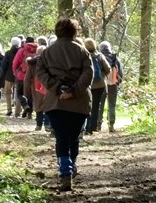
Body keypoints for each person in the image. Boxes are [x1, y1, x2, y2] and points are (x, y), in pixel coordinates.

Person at [36, 17, 93, 188]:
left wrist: (58, 89)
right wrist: (73, 90)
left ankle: (65, 171)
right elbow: (88, 74)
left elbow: (41, 72)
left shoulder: (47, 52)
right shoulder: (83, 52)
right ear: (74, 32)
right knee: (73, 137)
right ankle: (71, 165)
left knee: (61, 137)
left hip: (56, 103)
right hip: (79, 103)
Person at [83, 36, 108, 134]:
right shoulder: (99, 56)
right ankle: (93, 127)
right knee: (96, 106)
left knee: (87, 105)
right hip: (99, 85)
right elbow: (108, 68)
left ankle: (86, 127)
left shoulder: (83, 55)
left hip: (87, 85)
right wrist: (102, 75)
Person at [99, 39, 123, 130]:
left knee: (100, 104)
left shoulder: (99, 57)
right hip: (113, 83)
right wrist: (118, 82)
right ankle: (111, 124)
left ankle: (98, 124)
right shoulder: (115, 58)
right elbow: (120, 72)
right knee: (112, 104)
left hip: (101, 84)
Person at [4, 37, 23, 115]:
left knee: (8, 92)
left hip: (8, 76)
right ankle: (18, 111)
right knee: (18, 93)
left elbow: (4, 65)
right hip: (19, 75)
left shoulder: (8, 53)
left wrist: (3, 74)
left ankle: (9, 109)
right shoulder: (21, 52)